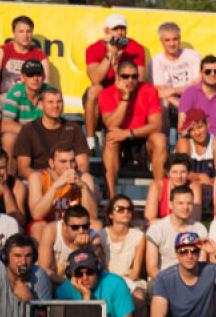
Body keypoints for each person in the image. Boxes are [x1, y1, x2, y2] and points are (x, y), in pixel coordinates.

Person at [0, 16, 49, 147]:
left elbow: (46, 83)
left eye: (28, 31)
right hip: (5, 98)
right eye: (21, 31)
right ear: (13, 33)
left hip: (28, 98)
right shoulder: (3, 50)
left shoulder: (40, 55)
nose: (25, 35)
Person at [99, 58, 164, 198]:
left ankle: (161, 195)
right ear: (117, 77)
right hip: (119, 143)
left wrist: (128, 133)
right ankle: (111, 197)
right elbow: (111, 125)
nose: (130, 80)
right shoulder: (106, 93)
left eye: (134, 76)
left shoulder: (149, 90)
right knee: (111, 139)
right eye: (125, 76)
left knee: (160, 139)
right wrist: (125, 97)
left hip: (142, 138)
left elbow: (157, 125)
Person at [83, 13, 148, 150]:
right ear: (106, 31)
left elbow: (138, 80)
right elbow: (95, 79)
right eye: (115, 29)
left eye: (122, 28)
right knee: (94, 90)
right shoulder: (94, 48)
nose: (119, 32)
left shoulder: (135, 48)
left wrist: (115, 64)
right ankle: (90, 143)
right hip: (104, 93)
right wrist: (109, 54)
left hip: (126, 91)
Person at [151, 233, 216, 317]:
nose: (189, 256)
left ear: (199, 253)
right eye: (183, 251)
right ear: (177, 254)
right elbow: (157, 314)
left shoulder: (211, 270)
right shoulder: (164, 278)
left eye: (194, 251)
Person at [14, 87, 90, 179]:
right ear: (41, 105)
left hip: (70, 178)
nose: (56, 106)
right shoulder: (28, 129)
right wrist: (49, 182)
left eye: (59, 102)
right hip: (39, 180)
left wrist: (71, 179)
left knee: (87, 179)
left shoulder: (74, 128)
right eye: (50, 102)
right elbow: (23, 168)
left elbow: (83, 165)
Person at [27, 146, 99, 242]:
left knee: (96, 225)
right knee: (38, 226)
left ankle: (87, 252)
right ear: (51, 163)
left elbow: (92, 216)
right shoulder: (38, 177)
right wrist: (55, 186)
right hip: (50, 226)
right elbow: (36, 215)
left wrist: (84, 188)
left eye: (72, 161)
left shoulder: (84, 178)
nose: (69, 166)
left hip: (76, 226)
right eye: (63, 161)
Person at [0, 233, 52, 317]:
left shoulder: (40, 275)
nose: (23, 262)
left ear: (34, 257)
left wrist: (30, 301)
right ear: (5, 257)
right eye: (18, 256)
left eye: (28, 256)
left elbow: (44, 315)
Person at [148, 22, 201, 133]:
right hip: (170, 101)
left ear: (180, 39)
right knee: (163, 103)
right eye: (167, 40)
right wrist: (178, 102)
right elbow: (159, 91)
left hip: (192, 97)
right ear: (161, 41)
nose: (172, 44)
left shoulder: (193, 55)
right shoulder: (155, 61)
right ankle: (165, 139)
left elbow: (197, 85)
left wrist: (172, 91)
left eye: (175, 39)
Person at [0, 61, 49, 171]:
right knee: (8, 138)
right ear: (22, 78)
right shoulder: (16, 92)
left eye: (38, 74)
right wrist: (32, 132)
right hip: (25, 136)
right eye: (30, 75)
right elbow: (5, 125)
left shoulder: (50, 93)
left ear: (44, 76)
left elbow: (54, 123)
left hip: (45, 136)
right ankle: (10, 178)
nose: (35, 78)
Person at [145, 184, 205, 278]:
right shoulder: (156, 229)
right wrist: (170, 284)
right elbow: (152, 269)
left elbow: (202, 264)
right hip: (162, 280)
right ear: (171, 205)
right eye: (180, 203)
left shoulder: (200, 230)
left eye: (189, 203)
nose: (186, 207)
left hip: (192, 280)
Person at [55, 248, 134, 317]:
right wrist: (86, 297)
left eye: (89, 272)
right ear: (71, 275)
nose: (85, 277)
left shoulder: (116, 284)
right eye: (79, 274)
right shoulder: (64, 291)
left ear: (97, 270)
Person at [177, 56, 216, 144]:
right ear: (200, 73)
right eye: (208, 72)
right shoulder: (189, 93)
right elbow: (182, 126)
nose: (212, 74)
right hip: (194, 140)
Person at [97, 195, 146, 302]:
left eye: (129, 209)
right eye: (120, 209)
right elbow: (101, 267)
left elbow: (135, 272)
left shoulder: (139, 236)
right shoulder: (100, 236)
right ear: (110, 214)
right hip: (106, 279)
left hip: (130, 280)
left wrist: (122, 285)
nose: (126, 212)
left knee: (139, 297)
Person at [38, 205, 99, 281]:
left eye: (85, 226)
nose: (81, 231)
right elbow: (44, 269)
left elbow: (94, 271)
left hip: (81, 282)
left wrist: (79, 248)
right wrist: (68, 285)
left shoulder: (93, 238)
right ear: (64, 226)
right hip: (53, 281)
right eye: (75, 227)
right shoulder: (51, 231)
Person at [173, 109, 216, 192]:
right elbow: (181, 173)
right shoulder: (184, 142)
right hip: (187, 189)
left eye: (200, 127)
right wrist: (200, 177)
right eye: (192, 130)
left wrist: (208, 182)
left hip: (210, 188)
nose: (197, 133)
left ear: (207, 124)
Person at [144, 154, 203, 223]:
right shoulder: (157, 186)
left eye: (183, 172)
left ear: (188, 173)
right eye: (174, 172)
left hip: (185, 228)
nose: (179, 176)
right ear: (168, 173)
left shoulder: (193, 187)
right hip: (161, 228)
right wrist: (174, 224)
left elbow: (195, 219)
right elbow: (149, 219)